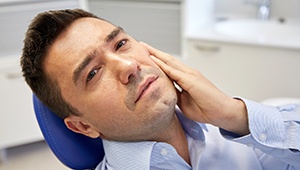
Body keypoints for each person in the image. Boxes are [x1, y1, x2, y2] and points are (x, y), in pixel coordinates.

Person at [21, 9, 300, 169]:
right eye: (93, 73)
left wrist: (234, 115)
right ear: (83, 127)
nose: (128, 65)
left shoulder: (243, 131)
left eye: (120, 44)